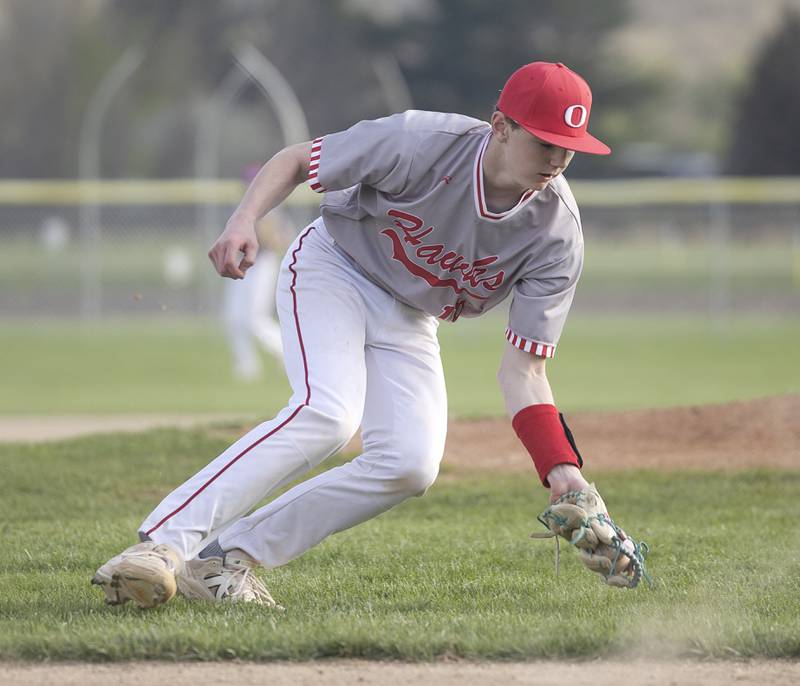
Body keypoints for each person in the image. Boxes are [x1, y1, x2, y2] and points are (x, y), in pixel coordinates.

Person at [92, 61, 612, 609]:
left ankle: (225, 560)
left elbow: (524, 372)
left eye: (569, 145)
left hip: (411, 314)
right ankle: (163, 546)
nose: (557, 160)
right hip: (333, 267)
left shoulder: (557, 235)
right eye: (545, 141)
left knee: (409, 464)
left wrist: (563, 472)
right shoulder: (421, 142)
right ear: (501, 126)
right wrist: (244, 220)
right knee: (328, 414)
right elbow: (296, 160)